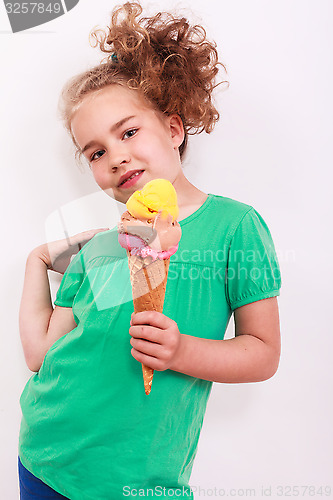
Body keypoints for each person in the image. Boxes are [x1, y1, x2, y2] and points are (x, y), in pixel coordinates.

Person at [18, 1, 282, 499]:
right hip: (46, 456)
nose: (115, 155)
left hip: (142, 482)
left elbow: (263, 354)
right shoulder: (98, 246)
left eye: (129, 131)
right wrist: (35, 260)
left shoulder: (234, 227)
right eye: (96, 152)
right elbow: (40, 354)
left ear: (175, 129)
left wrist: (182, 351)